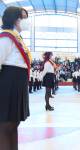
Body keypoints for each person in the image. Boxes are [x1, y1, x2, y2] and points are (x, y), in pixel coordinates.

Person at [0, 6, 31, 150]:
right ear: (15, 19)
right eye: (23, 18)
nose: (26, 21)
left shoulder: (17, 38)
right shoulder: (6, 37)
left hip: (17, 83)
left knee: (14, 124)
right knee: (5, 126)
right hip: (9, 82)